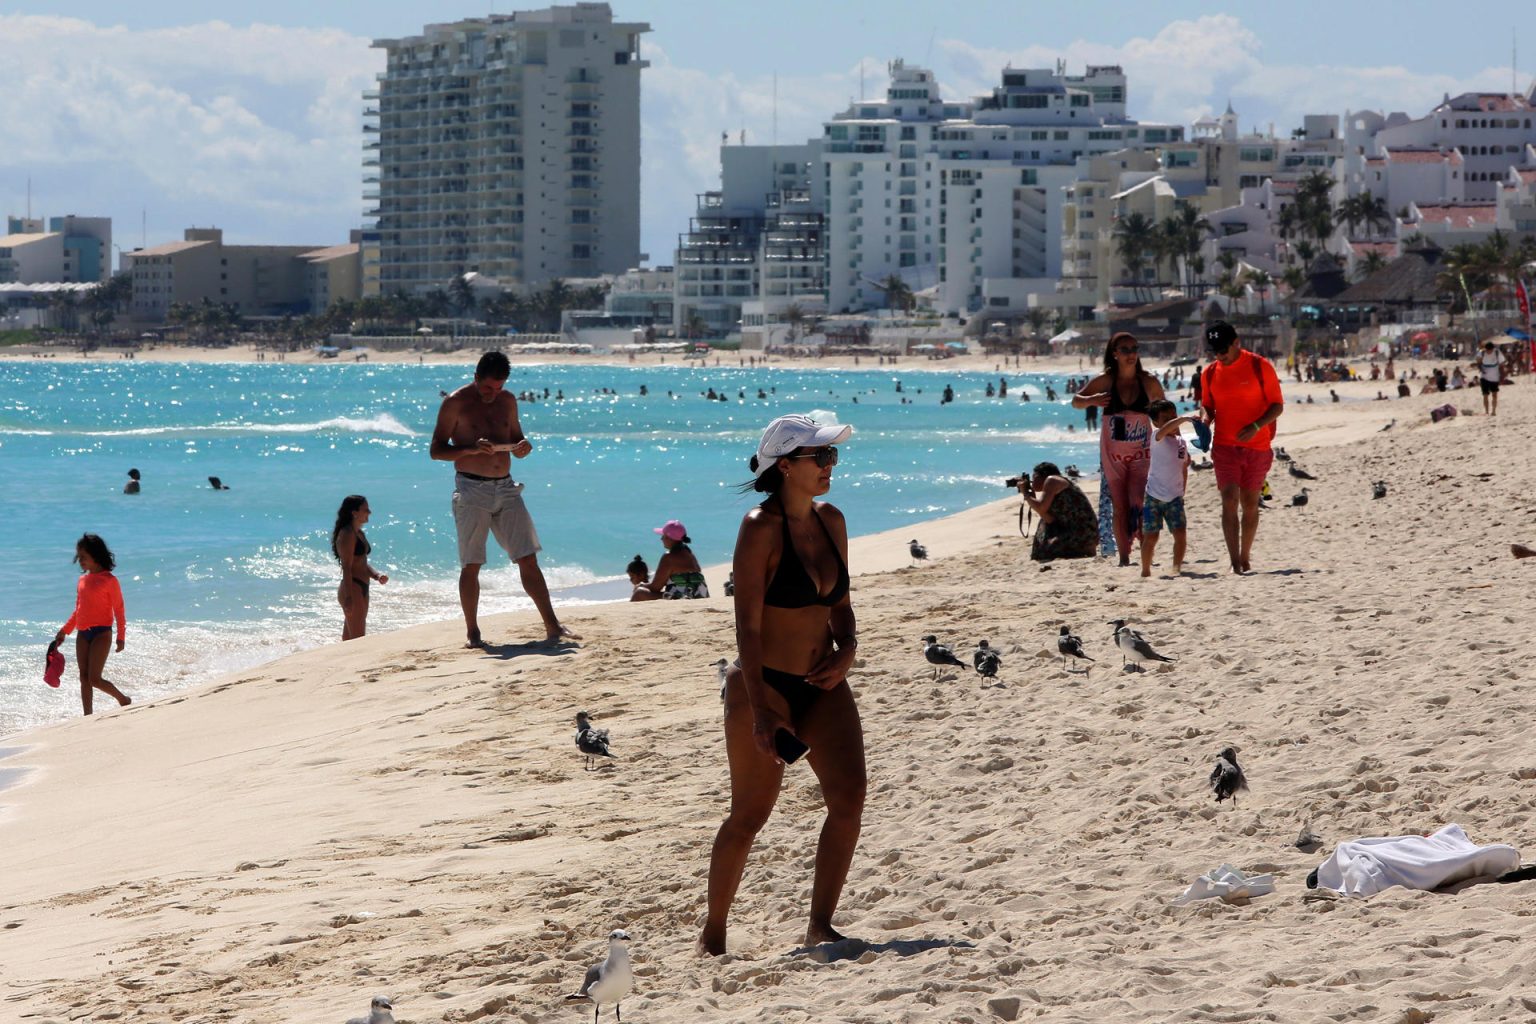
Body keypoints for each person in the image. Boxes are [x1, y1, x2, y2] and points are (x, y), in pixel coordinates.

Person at [700, 413, 863, 956]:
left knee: (849, 799)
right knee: (750, 815)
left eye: (832, 456)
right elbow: (746, 624)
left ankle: (820, 925)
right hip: (763, 686)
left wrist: (848, 651)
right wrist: (763, 713)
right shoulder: (759, 527)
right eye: (821, 457)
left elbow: (839, 602)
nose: (830, 465)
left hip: (823, 682)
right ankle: (714, 933)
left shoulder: (831, 519)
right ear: (786, 466)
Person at [430, 350, 581, 648]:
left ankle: (552, 626)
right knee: (472, 563)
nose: (493, 394)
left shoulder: (508, 400)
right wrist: (471, 449)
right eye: (488, 388)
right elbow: (436, 450)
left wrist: (522, 447)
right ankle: (473, 632)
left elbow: (516, 438)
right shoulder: (455, 403)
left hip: (506, 487)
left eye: (498, 388)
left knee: (527, 557)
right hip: (472, 489)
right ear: (475, 378)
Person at [1072, 332, 1166, 565]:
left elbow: (1163, 413)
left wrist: (1169, 440)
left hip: (1141, 453)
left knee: (1139, 502)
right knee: (1120, 505)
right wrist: (1091, 400)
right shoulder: (1105, 381)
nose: (1131, 354)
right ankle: (1124, 557)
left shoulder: (1148, 382)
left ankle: (1146, 553)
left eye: (1134, 349)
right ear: (1114, 353)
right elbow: (1076, 400)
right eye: (1125, 350)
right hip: (1112, 455)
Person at [1198, 321, 1284, 574]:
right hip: (1224, 446)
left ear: (1237, 343)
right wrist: (1205, 420)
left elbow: (1277, 406)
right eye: (1215, 350)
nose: (1220, 355)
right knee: (1228, 499)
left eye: (1224, 349)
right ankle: (1234, 560)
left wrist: (1256, 426)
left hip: (1257, 446)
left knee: (1249, 503)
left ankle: (1245, 555)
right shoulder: (1210, 373)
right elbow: (1207, 405)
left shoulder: (1259, 366)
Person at [53, 533, 131, 716]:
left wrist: (121, 637)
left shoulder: (109, 580)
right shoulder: (82, 581)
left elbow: (119, 610)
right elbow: (78, 610)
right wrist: (65, 631)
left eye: (83, 557)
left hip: (102, 633)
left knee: (94, 678)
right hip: (82, 633)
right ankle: (87, 715)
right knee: (83, 677)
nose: (80, 561)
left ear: (96, 556)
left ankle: (122, 699)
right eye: (78, 557)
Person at [1140, 400, 1192, 578]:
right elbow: (1166, 429)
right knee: (1151, 537)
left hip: (1175, 497)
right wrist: (1183, 419)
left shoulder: (1181, 443)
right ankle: (1145, 571)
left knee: (1180, 534)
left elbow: (1183, 467)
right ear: (1155, 423)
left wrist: (1182, 490)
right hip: (1153, 496)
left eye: (1173, 416)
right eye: (1165, 419)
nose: (1172, 421)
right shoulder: (1156, 437)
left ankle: (1176, 567)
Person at [1016, 461, 1097, 562]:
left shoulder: (1052, 480)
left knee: (1045, 550)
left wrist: (1025, 493)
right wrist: (1031, 496)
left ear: (1043, 475)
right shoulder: (1053, 486)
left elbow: (1041, 508)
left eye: (1034, 477)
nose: (1032, 481)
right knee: (1042, 538)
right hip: (1077, 531)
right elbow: (1049, 519)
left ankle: (1083, 549)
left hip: (1081, 532)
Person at [332, 495, 387, 640]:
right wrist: (349, 597)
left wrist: (376, 575)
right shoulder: (347, 534)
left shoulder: (359, 533)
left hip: (362, 587)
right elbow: (347, 567)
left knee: (349, 639)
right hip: (353, 587)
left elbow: (361, 562)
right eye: (366, 509)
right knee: (359, 639)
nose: (369, 512)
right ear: (354, 512)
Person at [632, 520, 708, 600]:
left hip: (686, 598)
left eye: (663, 536)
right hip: (700, 595)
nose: (661, 539)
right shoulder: (689, 553)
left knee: (639, 593)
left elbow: (656, 587)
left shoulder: (669, 557)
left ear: (670, 539)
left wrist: (641, 585)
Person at [1472, 340, 1508, 415]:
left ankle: (1494, 411)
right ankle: (1486, 411)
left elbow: (1502, 363)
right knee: (1485, 395)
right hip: (1484, 376)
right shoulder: (1481, 352)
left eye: (1490, 350)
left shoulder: (1497, 352)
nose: (1488, 352)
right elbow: (1478, 362)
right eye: (1487, 350)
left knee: (1494, 394)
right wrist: (1481, 369)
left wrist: (1502, 375)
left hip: (1494, 376)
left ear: (1492, 349)